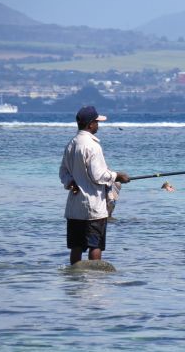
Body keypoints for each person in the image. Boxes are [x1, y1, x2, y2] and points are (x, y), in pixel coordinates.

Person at [59, 106, 129, 265]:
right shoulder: (93, 146)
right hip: (93, 206)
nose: (98, 125)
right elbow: (99, 175)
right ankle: (94, 280)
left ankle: (75, 280)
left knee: (76, 247)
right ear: (90, 124)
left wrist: (71, 183)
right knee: (95, 245)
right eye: (97, 122)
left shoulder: (71, 144)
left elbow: (63, 172)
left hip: (74, 208)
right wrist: (117, 176)